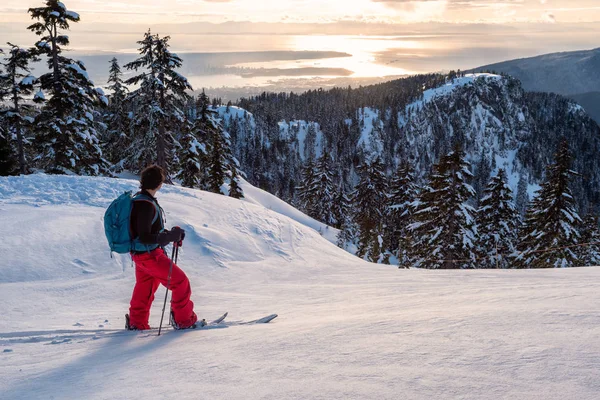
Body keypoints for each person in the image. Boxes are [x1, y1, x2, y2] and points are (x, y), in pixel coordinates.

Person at [126, 165, 198, 330]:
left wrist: (170, 234)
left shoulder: (139, 201)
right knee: (180, 282)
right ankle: (184, 320)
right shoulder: (145, 204)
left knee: (145, 288)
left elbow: (146, 231)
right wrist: (167, 237)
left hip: (140, 255)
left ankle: (137, 323)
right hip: (150, 255)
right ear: (159, 184)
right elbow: (144, 236)